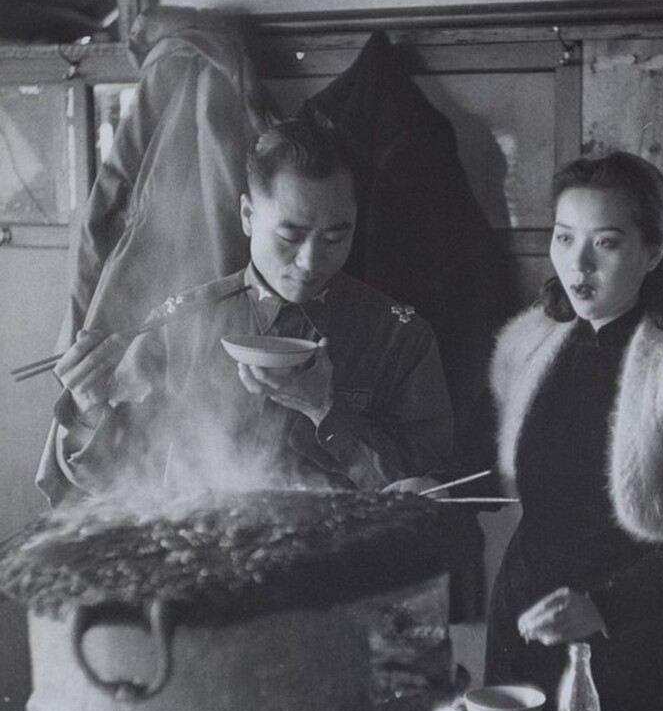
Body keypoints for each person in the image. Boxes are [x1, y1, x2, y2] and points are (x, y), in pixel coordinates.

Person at [48, 118, 454, 502]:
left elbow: (432, 495)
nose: (311, 261)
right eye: (290, 235)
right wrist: (89, 407)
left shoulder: (399, 336)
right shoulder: (180, 323)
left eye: (335, 237)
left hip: (342, 566)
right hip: (202, 556)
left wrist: (324, 410)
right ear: (247, 215)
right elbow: (109, 482)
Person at [484, 151, 663, 711]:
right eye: (563, 237)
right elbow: (481, 455)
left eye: (605, 243)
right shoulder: (528, 345)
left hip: (636, 643)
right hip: (525, 623)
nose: (578, 264)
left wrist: (603, 608)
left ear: (652, 253)